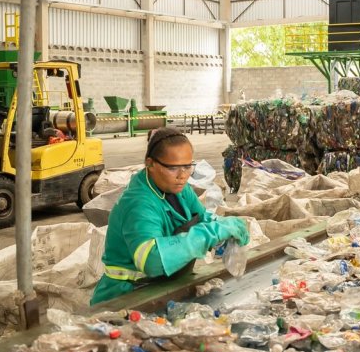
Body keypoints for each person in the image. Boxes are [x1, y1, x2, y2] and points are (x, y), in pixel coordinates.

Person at [91, 128, 250, 304]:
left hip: (164, 286)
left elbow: (201, 217)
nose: (182, 175)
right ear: (150, 164)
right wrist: (209, 234)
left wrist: (223, 229)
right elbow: (151, 259)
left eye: (187, 166)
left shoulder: (181, 190)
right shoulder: (139, 203)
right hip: (127, 296)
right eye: (172, 168)